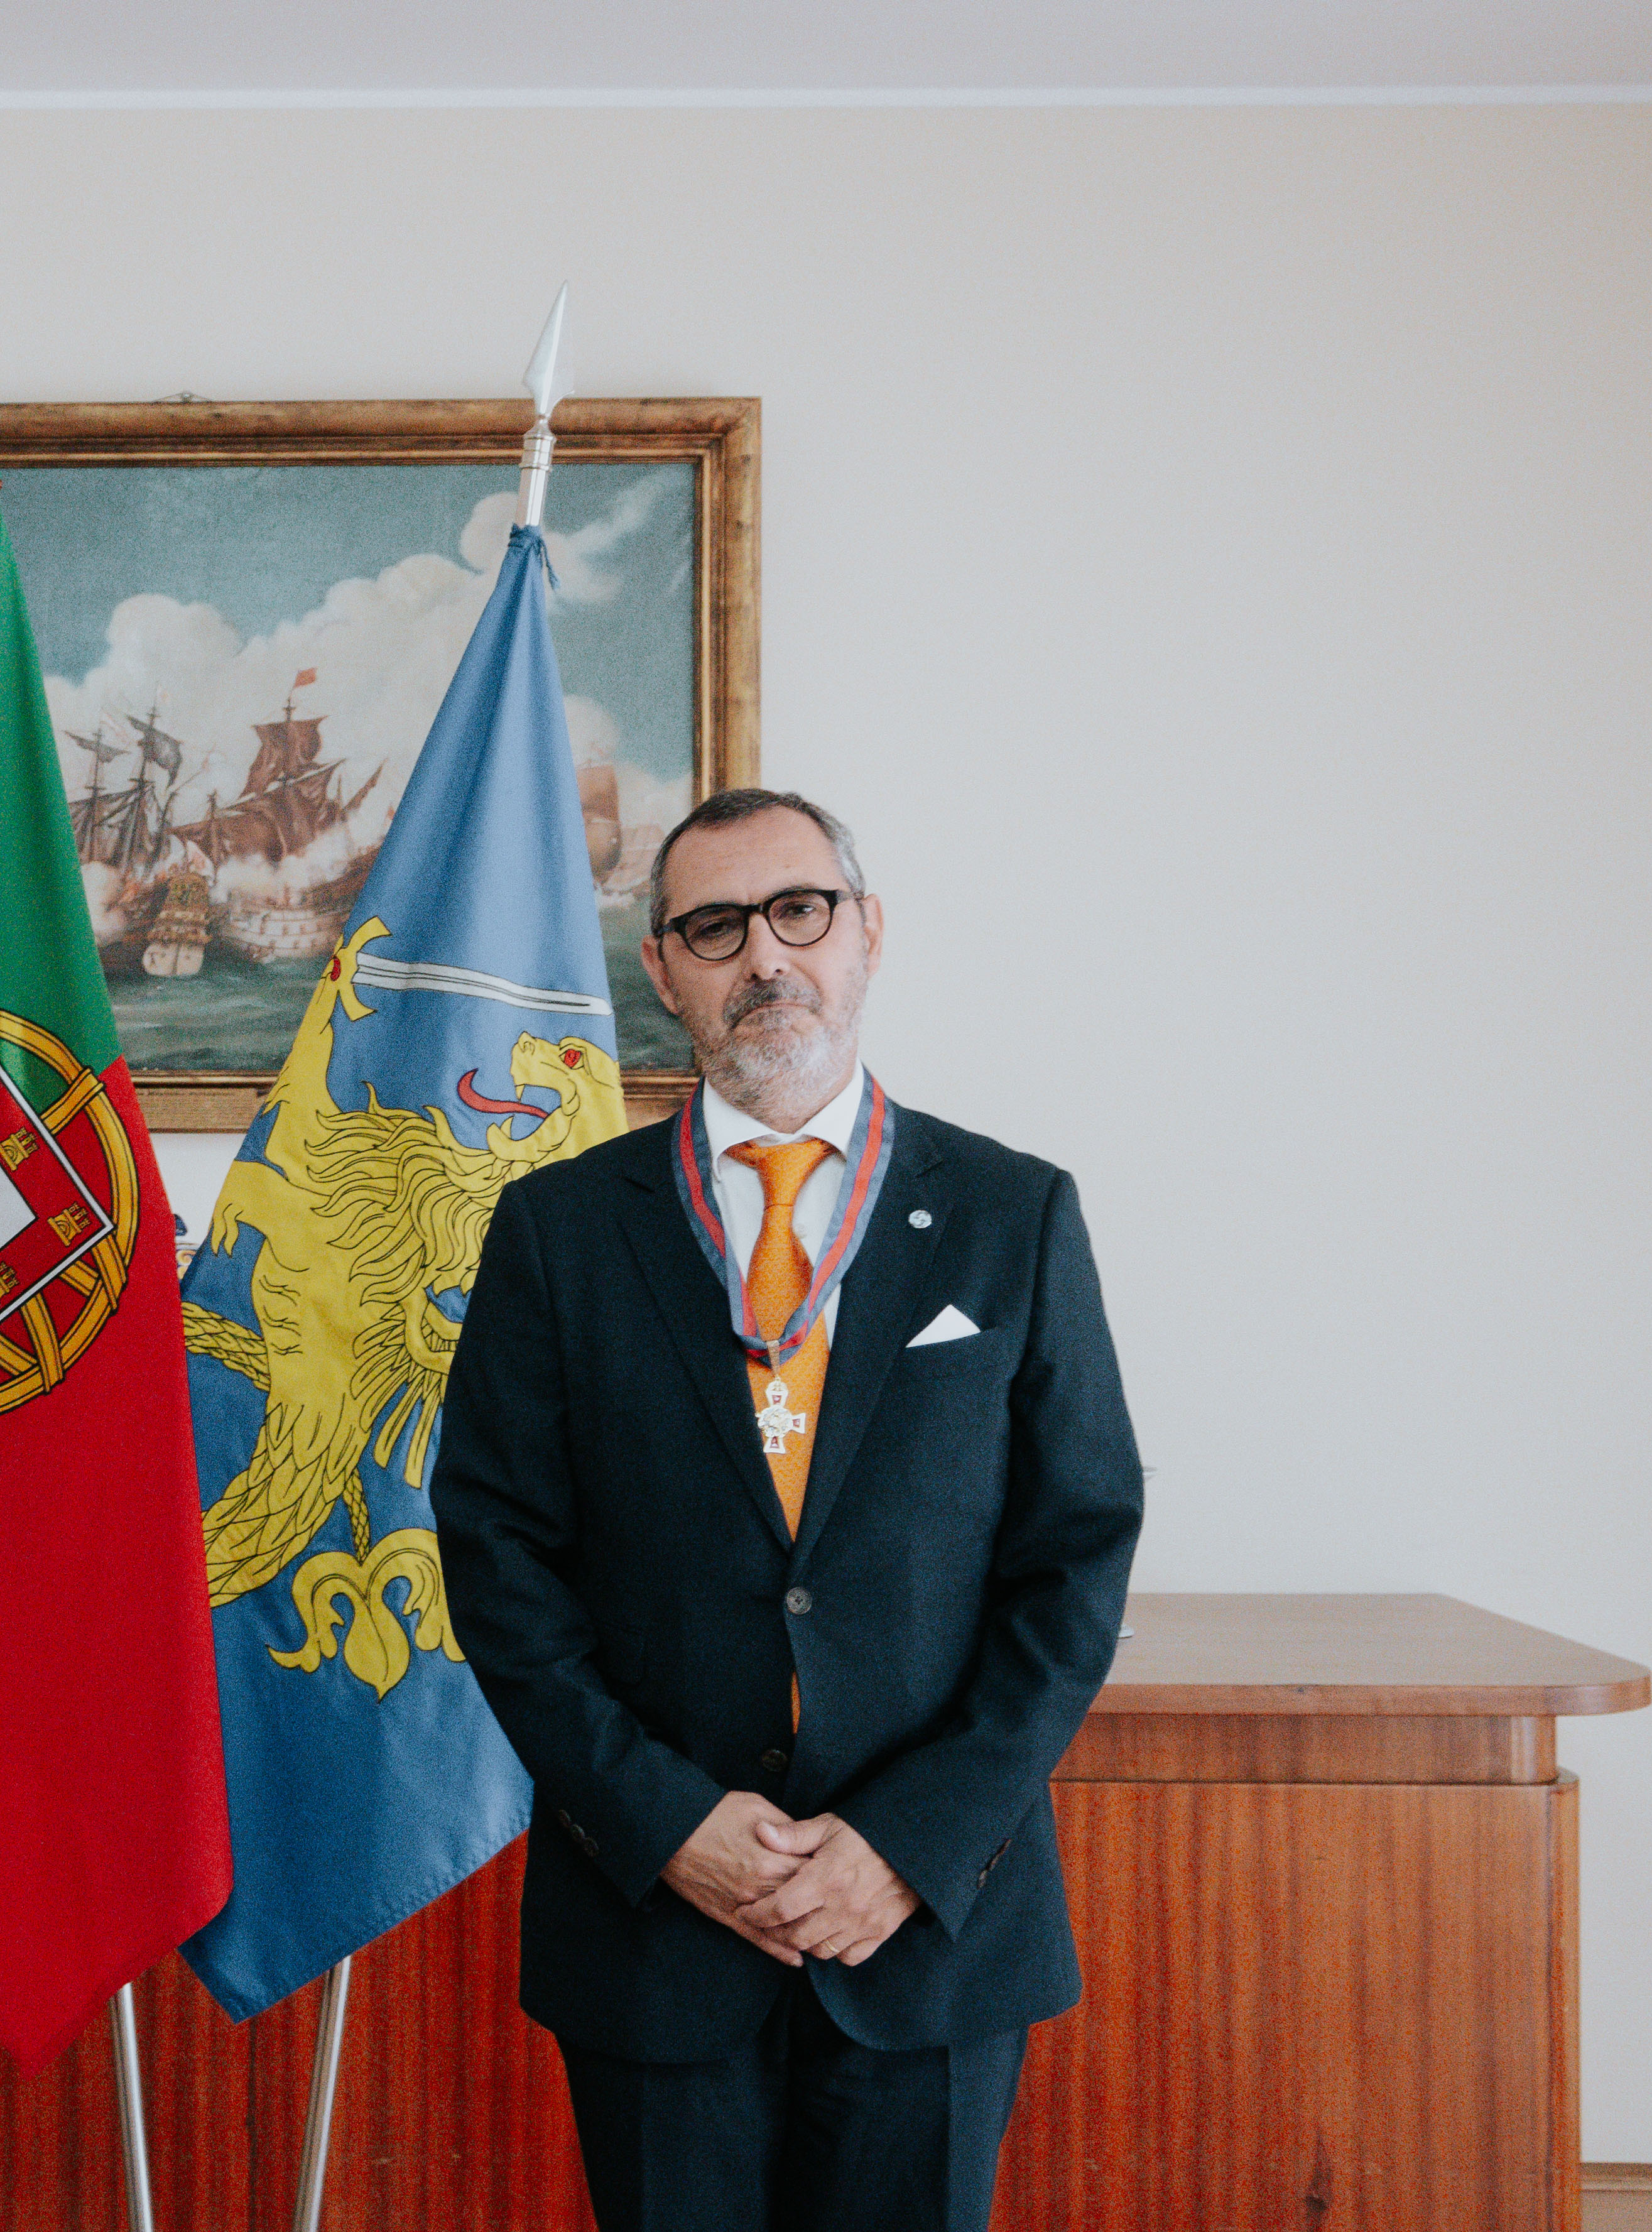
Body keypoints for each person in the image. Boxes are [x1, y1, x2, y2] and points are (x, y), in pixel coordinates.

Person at [435, 788, 1142, 2232]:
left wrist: (905, 1846)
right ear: (663, 971)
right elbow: (499, 1564)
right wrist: (669, 1823)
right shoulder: (558, 1232)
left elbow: (1073, 1562)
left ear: (866, 933)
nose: (764, 956)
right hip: (654, 1919)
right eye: (714, 926)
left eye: (798, 911)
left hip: (931, 1927)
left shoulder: (1015, 1212)